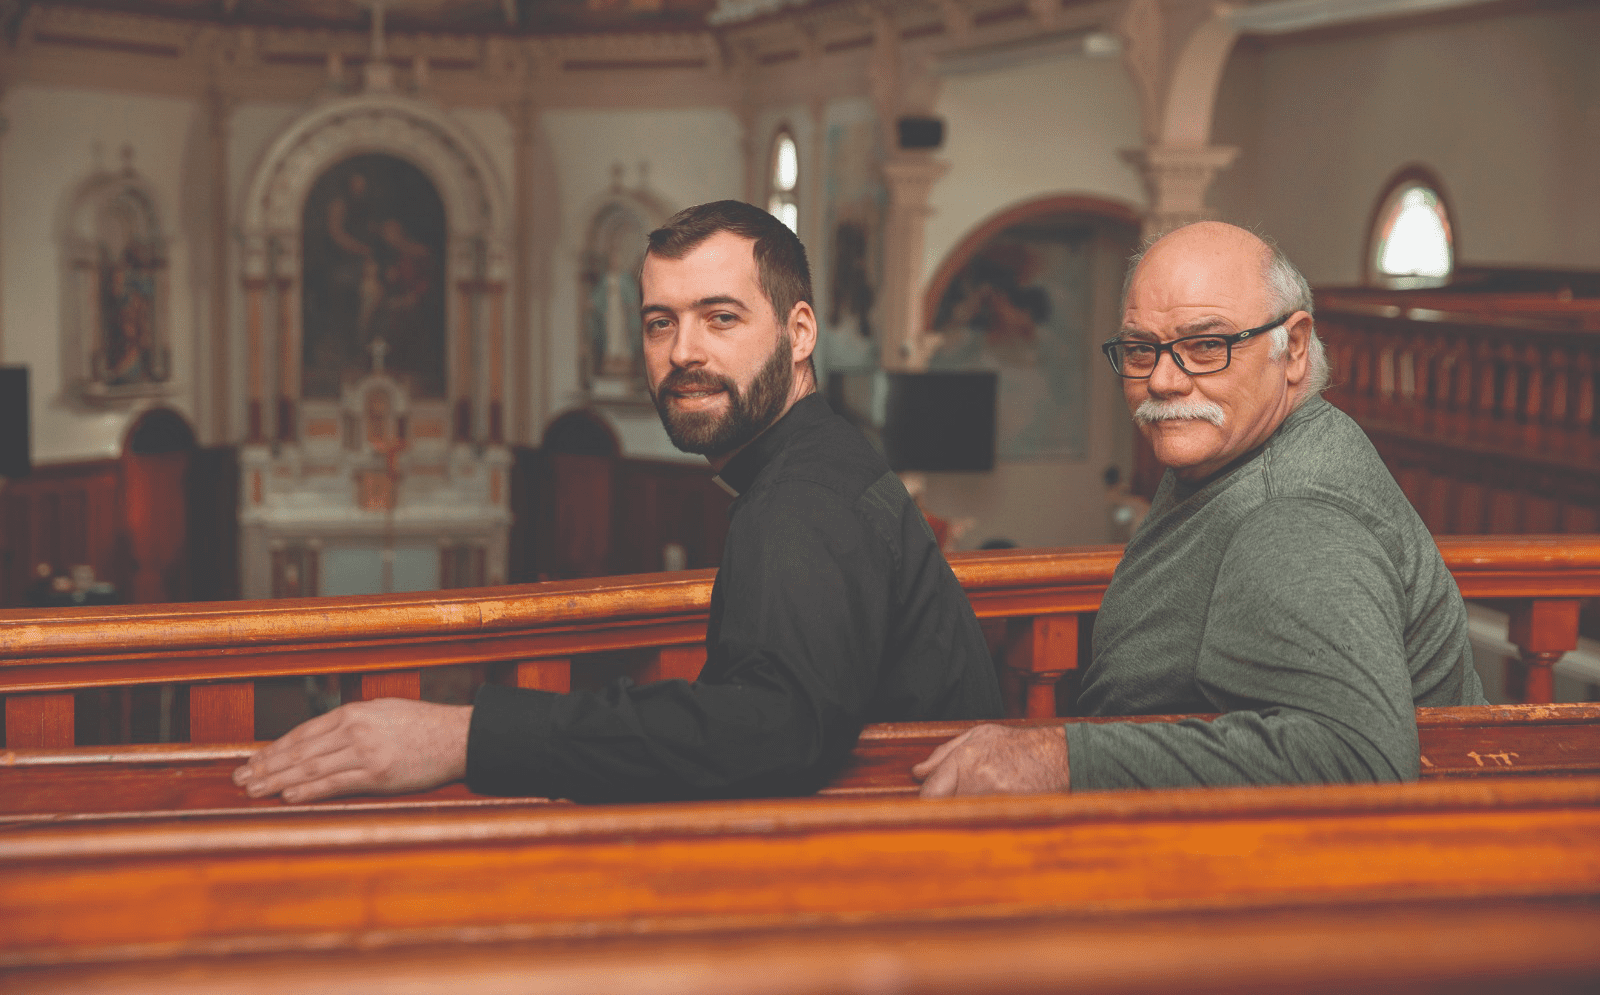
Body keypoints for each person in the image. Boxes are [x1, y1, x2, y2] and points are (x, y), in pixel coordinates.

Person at [235, 200, 1002, 804]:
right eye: (659, 322)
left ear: (798, 333)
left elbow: (772, 732)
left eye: (720, 317)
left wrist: (462, 738)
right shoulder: (814, 464)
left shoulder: (801, 501)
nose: (684, 352)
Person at [915, 221, 1484, 797]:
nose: (1162, 379)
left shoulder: (1295, 520)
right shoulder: (1233, 448)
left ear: (1294, 349)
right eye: (1141, 349)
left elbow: (1356, 759)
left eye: (1206, 346)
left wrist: (1062, 758)